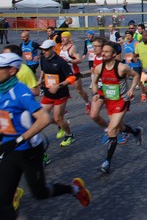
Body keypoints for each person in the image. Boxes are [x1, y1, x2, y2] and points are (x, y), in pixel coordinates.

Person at [0, 52, 91, 220]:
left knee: (40, 193)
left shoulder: (20, 92)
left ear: (12, 71)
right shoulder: (1, 90)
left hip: (29, 150)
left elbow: (44, 119)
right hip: (10, 150)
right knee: (3, 202)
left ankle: (74, 189)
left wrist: (18, 140)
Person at [91, 41, 143, 174]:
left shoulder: (121, 67)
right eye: (103, 51)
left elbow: (136, 75)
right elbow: (95, 83)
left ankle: (107, 162)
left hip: (122, 100)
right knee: (119, 127)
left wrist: (132, 89)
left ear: (114, 54)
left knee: (112, 130)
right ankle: (136, 132)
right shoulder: (99, 68)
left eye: (106, 51)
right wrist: (96, 93)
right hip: (109, 100)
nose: (103, 53)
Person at [37, 40, 77, 147]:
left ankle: (69, 135)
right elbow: (43, 70)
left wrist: (58, 86)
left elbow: (72, 77)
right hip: (48, 93)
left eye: (46, 50)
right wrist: (40, 80)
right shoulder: (43, 58)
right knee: (41, 116)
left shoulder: (61, 62)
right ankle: (63, 125)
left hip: (60, 94)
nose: (44, 52)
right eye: (42, 50)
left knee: (58, 118)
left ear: (53, 49)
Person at [59, 31, 91, 114]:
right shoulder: (60, 47)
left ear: (69, 39)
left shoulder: (72, 48)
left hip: (74, 72)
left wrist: (69, 60)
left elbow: (79, 59)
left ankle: (88, 103)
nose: (62, 39)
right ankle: (62, 108)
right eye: (62, 37)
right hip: (64, 73)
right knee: (61, 91)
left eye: (65, 37)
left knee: (79, 91)